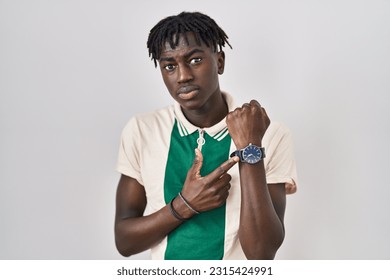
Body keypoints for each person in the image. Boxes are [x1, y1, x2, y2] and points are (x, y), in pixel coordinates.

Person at [115, 11, 297, 260]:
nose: (183, 76)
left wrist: (249, 148)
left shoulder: (270, 134)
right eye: (170, 66)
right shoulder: (142, 130)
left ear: (219, 62)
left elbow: (261, 254)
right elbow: (124, 241)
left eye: (195, 60)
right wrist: (184, 205)